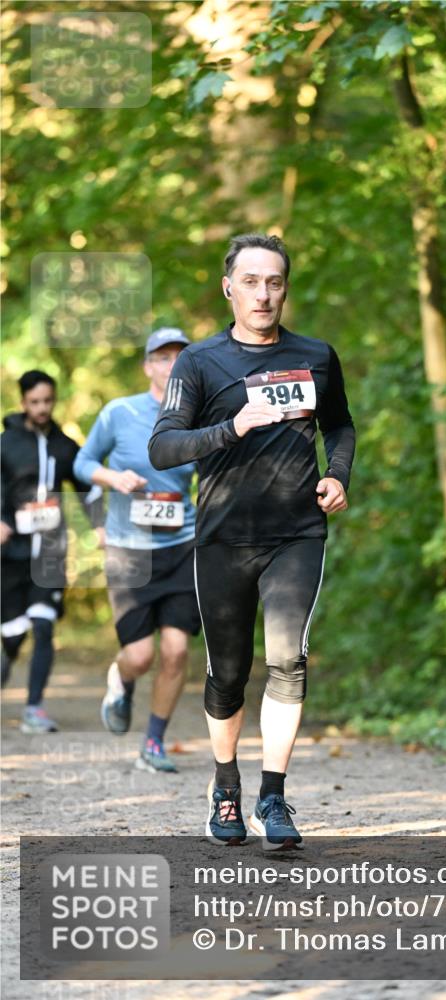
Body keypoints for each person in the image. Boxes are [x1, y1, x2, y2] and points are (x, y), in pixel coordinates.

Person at [149, 233, 355, 850]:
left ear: (285, 287)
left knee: (288, 658)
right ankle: (226, 787)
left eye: (274, 282)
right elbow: (163, 448)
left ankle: (273, 795)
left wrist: (336, 475)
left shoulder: (316, 355)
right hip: (221, 539)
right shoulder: (200, 363)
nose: (263, 294)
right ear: (228, 287)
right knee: (228, 674)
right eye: (251, 282)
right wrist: (230, 427)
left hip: (295, 534)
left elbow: (340, 424)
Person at [73, 328, 200, 773]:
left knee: (176, 651)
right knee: (141, 656)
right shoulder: (119, 412)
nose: (171, 365)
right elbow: (82, 463)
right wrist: (114, 480)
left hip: (183, 545)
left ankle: (154, 743)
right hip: (130, 552)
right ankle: (121, 678)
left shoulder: (199, 415)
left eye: (179, 358)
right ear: (148, 366)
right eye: (161, 358)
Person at [1, 370, 102, 733]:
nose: (42, 408)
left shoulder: (65, 445)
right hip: (10, 555)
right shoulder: (6, 443)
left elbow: (87, 488)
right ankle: (6, 659)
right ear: (23, 402)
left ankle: (34, 709)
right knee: (12, 634)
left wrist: (101, 526)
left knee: (43, 626)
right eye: (34, 402)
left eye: (47, 401)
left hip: (51, 554)